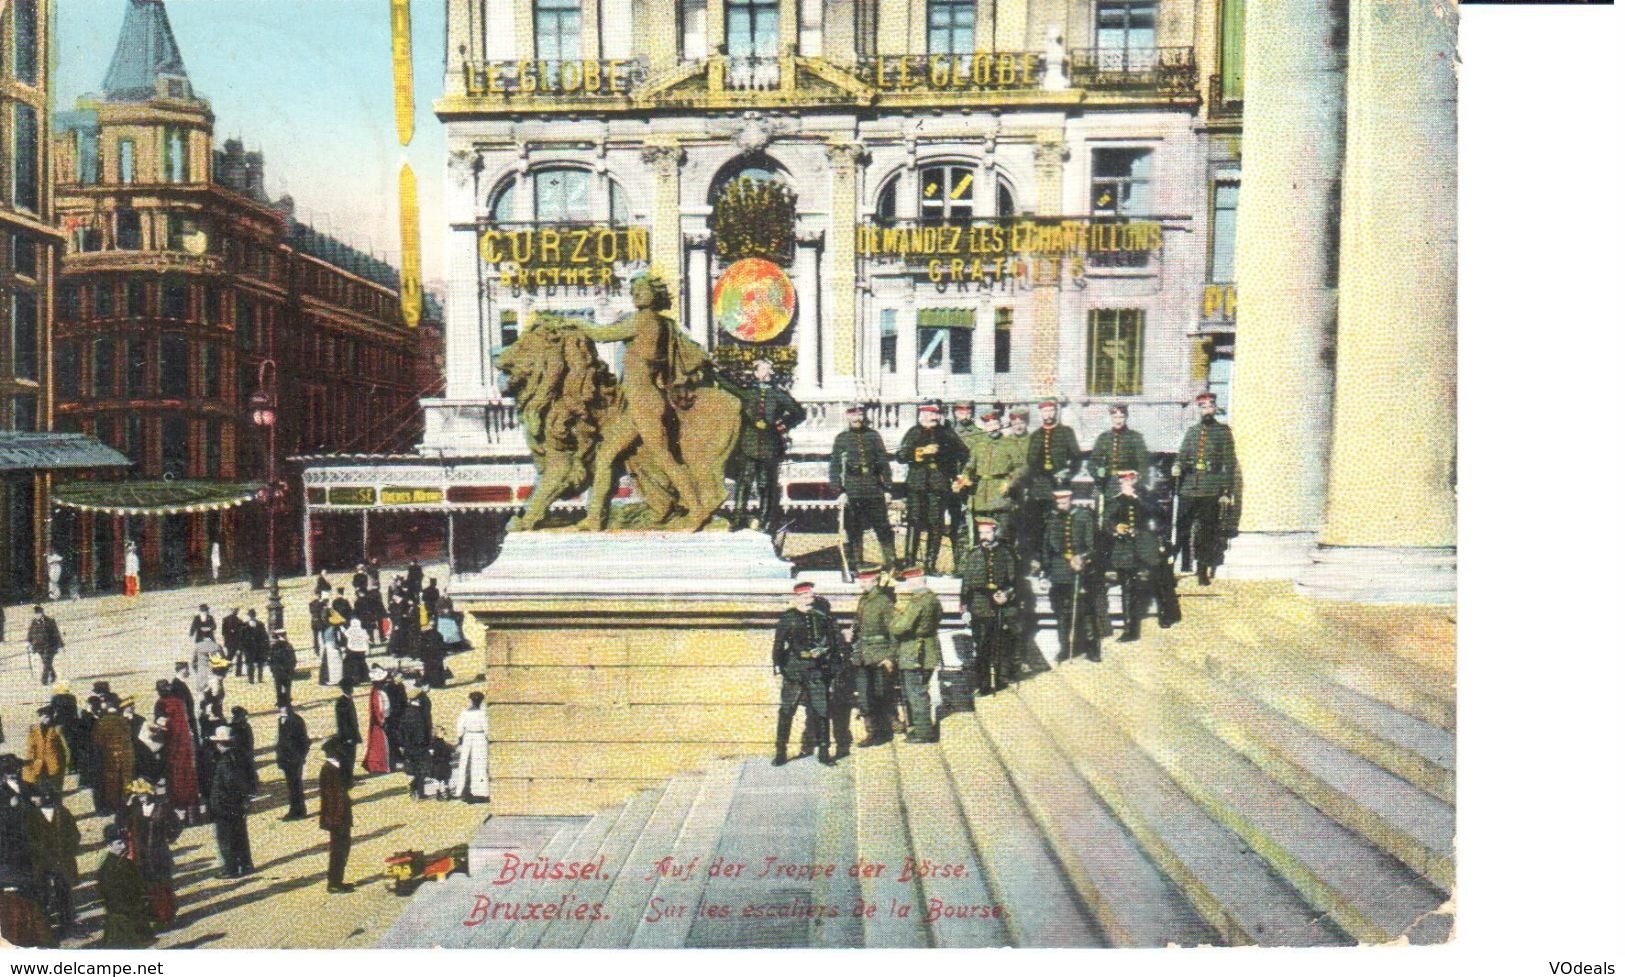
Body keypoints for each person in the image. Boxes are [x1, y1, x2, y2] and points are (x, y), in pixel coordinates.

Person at [729, 358, 806, 532]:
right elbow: (729, 386)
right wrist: (713, 372)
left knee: (766, 484)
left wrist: (781, 425)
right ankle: (738, 519)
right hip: (748, 444)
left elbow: (799, 413)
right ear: (755, 373)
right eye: (763, 369)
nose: (767, 373)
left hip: (770, 446)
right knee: (744, 482)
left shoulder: (779, 394)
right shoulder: (747, 393)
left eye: (769, 370)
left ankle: (765, 521)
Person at [770, 582, 838, 767]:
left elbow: (833, 643)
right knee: (786, 711)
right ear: (797, 598)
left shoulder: (822, 618)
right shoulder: (788, 618)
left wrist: (828, 661)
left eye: (811, 596)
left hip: (816, 670)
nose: (810, 599)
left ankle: (824, 752)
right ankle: (780, 752)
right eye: (806, 596)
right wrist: (777, 668)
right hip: (794, 672)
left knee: (822, 711)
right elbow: (778, 645)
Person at [1173, 391, 1237, 584]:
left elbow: (1229, 462)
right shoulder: (1192, 431)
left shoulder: (1223, 432)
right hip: (1189, 487)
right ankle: (1175, 566)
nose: (1207, 409)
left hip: (1210, 488)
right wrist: (1177, 465)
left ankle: (1202, 570)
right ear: (1199, 409)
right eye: (1203, 407)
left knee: (1206, 531)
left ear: (1215, 408)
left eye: (1210, 406)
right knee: (1182, 528)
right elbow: (1183, 454)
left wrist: (1226, 491)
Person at [897, 404, 968, 574]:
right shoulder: (913, 432)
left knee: (936, 524)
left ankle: (930, 565)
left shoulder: (947, 433)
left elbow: (964, 454)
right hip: (917, 484)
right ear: (922, 415)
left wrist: (957, 475)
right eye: (930, 414)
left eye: (936, 414)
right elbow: (900, 456)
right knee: (914, 522)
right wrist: (921, 451)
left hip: (939, 484)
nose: (934, 417)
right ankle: (910, 563)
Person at [829, 404, 898, 572]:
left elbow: (883, 463)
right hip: (852, 489)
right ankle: (856, 564)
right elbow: (835, 466)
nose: (857, 418)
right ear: (847, 416)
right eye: (853, 414)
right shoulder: (841, 438)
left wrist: (888, 489)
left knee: (883, 528)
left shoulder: (873, 436)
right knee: (854, 529)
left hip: (873, 488)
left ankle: (891, 565)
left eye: (860, 414)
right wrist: (839, 491)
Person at [1097, 471, 1162, 643]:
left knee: (1134, 590)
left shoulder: (1142, 501)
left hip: (1141, 550)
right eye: (1125, 481)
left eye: (1131, 480)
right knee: (1127, 589)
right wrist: (1116, 527)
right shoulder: (1115, 502)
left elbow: (1154, 519)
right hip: (1122, 551)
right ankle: (1128, 628)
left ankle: (1133, 628)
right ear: (1120, 483)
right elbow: (1105, 522)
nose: (1128, 483)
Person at [959, 518, 1021, 696]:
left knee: (1000, 645)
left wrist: (1006, 595)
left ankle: (1002, 681)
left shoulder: (1006, 553)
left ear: (995, 532)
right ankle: (984, 685)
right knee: (981, 646)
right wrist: (964, 607)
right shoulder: (973, 554)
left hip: (1001, 605)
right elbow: (966, 584)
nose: (984, 537)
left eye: (987, 532)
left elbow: (1014, 582)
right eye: (981, 533)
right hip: (979, 605)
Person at [1044, 489, 1103, 662]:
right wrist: (1047, 570)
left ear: (1070, 500)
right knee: (1061, 612)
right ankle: (1065, 647)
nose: (1060, 506)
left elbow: (1093, 546)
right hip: (1059, 571)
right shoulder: (1052, 518)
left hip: (1081, 570)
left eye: (1063, 502)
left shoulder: (1084, 517)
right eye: (1058, 503)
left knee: (1085, 610)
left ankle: (1092, 648)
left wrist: (1082, 558)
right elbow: (1047, 546)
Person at [954, 409, 1027, 544]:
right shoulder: (979, 445)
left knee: (1002, 536)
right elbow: (970, 467)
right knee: (982, 536)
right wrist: (964, 478)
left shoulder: (1009, 444)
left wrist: (1010, 481)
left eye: (995, 423)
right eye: (989, 424)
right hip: (981, 496)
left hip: (1001, 496)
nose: (992, 427)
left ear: (1000, 424)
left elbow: (1021, 466)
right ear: (985, 426)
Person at [889, 566, 943, 743]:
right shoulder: (933, 599)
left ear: (917, 580)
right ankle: (920, 728)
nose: (907, 585)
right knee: (920, 690)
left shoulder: (917, 601)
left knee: (915, 693)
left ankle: (923, 732)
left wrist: (894, 620)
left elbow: (900, 627)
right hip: (928, 650)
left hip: (913, 652)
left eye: (909, 581)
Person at [119, 779, 181, 931]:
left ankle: (167, 916)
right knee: (147, 887)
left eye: (144, 794)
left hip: (159, 853)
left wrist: (169, 838)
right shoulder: (135, 809)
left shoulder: (162, 807)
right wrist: (127, 805)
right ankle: (155, 916)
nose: (142, 797)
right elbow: (121, 823)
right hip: (142, 854)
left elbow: (176, 825)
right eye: (138, 795)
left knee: (162, 885)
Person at [847, 567, 898, 748]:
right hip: (862, 653)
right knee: (864, 695)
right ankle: (871, 733)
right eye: (861, 580)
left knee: (880, 693)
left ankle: (883, 732)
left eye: (865, 580)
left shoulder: (883, 601)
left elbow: (893, 631)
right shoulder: (864, 599)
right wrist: (851, 634)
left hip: (879, 654)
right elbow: (858, 622)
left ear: (875, 581)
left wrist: (890, 657)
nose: (861, 583)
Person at [1028, 400, 1084, 550]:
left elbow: (1077, 458)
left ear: (1056, 412)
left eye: (1051, 410)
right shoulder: (1035, 435)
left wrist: (1068, 473)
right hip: (1040, 487)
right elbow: (1030, 462)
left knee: (1059, 521)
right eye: (1045, 411)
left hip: (1060, 485)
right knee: (1039, 524)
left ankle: (1059, 557)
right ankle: (1041, 559)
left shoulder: (1066, 432)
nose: (1048, 414)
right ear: (1040, 413)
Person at [28, 787, 78, 935]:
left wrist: (68, 852)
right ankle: (45, 930)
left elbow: (74, 834)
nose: (33, 800)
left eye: (36, 796)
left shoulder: (62, 812)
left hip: (62, 861)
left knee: (64, 893)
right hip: (41, 863)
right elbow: (29, 840)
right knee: (43, 895)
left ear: (46, 796)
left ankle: (68, 926)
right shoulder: (31, 816)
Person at [95, 824, 154, 948]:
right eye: (119, 843)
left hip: (132, 911)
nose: (124, 846)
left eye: (125, 842)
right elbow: (110, 896)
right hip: (122, 916)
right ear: (109, 845)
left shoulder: (125, 862)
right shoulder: (108, 868)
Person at [1089, 403, 1151, 519]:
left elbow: (1143, 463)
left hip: (1128, 483)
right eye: (1115, 417)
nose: (1118, 421)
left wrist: (1137, 479)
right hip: (1106, 483)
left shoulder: (1135, 437)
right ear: (1111, 418)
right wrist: (1097, 473)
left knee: (1129, 514)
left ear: (1126, 417)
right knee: (1100, 511)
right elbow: (1092, 462)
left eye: (1121, 417)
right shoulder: (1103, 437)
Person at [206, 727, 253, 878]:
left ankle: (231, 868)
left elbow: (229, 783)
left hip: (225, 806)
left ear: (220, 743)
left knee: (226, 839)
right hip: (238, 804)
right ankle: (246, 865)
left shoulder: (224, 761)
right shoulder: (240, 755)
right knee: (240, 835)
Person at [152, 685, 199, 823]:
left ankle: (179, 815)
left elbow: (160, 725)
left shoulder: (160, 704)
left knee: (175, 778)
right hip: (185, 743)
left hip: (172, 744)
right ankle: (193, 816)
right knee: (188, 776)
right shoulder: (179, 701)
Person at [318, 738, 355, 893]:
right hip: (337, 819)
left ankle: (337, 881)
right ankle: (334, 883)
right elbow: (333, 799)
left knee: (343, 849)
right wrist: (337, 821)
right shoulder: (328, 770)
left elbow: (348, 784)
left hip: (340, 818)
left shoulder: (336, 767)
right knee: (338, 851)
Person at [93, 699, 135, 816]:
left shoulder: (101, 722)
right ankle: (125, 804)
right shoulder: (123, 721)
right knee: (126, 779)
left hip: (109, 756)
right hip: (126, 754)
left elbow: (97, 741)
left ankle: (113, 806)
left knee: (111, 781)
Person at [275, 703, 310, 820]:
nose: (281, 709)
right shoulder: (280, 720)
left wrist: (301, 757)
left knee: (296, 786)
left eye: (283, 707)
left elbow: (305, 741)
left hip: (295, 760)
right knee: (291, 786)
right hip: (285, 760)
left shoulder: (297, 720)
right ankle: (296, 809)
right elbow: (280, 741)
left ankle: (297, 811)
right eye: (280, 707)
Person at [22, 708, 67, 798]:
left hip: (55, 766)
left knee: (56, 794)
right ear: (40, 717)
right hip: (39, 766)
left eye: (50, 716)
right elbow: (30, 749)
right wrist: (29, 766)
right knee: (42, 793)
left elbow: (65, 748)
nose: (49, 719)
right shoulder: (33, 731)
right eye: (46, 717)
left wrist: (64, 764)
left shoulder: (57, 729)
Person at [397, 683, 433, 799]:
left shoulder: (405, 713)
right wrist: (427, 743)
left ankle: (414, 790)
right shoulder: (419, 713)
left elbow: (400, 731)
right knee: (422, 768)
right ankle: (419, 790)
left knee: (412, 768)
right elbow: (423, 730)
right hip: (419, 745)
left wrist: (402, 744)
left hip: (408, 745)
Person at [453, 692, 489, 803]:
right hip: (479, 737)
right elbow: (487, 729)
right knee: (479, 764)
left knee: (465, 764)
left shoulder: (465, 713)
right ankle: (480, 792)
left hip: (468, 737)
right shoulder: (483, 714)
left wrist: (460, 740)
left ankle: (463, 790)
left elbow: (460, 729)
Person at [333, 679, 363, 785]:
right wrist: (347, 737)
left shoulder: (347, 700)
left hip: (352, 734)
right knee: (347, 758)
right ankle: (347, 778)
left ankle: (349, 775)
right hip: (347, 736)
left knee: (351, 757)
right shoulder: (342, 703)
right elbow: (342, 723)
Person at [364, 667, 392, 775]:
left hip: (377, 722)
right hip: (380, 722)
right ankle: (379, 767)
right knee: (381, 745)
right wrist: (383, 721)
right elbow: (380, 708)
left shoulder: (375, 691)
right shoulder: (378, 693)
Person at [26, 606, 64, 686]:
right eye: (36, 614)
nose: (37, 615)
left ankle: (44, 679)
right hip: (39, 647)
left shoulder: (50, 621)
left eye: (39, 613)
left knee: (47, 662)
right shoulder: (34, 622)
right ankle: (53, 675)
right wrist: (29, 642)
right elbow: (30, 633)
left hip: (50, 646)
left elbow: (56, 634)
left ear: (42, 613)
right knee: (46, 662)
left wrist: (61, 645)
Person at [228, 706, 258, 794]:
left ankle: (251, 789)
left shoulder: (243, 726)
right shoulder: (235, 726)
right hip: (240, 753)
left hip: (245, 753)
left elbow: (250, 741)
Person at [269, 627, 299, 706]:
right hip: (287, 670)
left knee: (278, 687)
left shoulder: (273, 646)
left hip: (277, 670)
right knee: (287, 687)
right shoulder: (288, 645)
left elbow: (270, 659)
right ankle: (287, 701)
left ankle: (280, 702)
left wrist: (272, 669)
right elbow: (293, 658)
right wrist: (292, 667)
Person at [242, 609, 269, 684]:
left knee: (260, 664)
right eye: (250, 615)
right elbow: (241, 638)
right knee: (250, 665)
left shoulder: (260, 624)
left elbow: (265, 636)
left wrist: (266, 646)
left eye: (253, 615)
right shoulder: (244, 625)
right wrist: (243, 648)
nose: (252, 617)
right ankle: (251, 680)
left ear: (255, 616)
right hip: (249, 648)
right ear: (248, 616)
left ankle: (260, 679)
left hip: (259, 648)